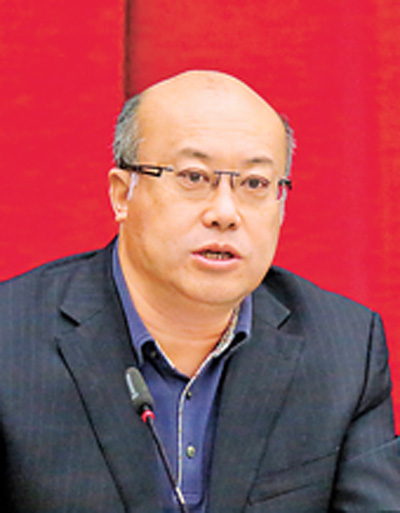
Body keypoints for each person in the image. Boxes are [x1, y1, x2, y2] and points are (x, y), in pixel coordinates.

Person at [0, 70, 399, 513]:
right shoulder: (10, 340)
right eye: (193, 177)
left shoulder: (345, 350)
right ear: (122, 194)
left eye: (254, 184)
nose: (225, 213)